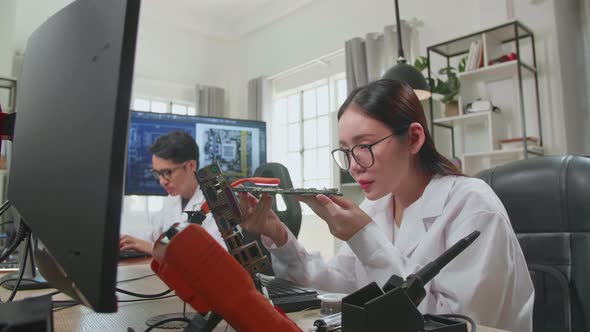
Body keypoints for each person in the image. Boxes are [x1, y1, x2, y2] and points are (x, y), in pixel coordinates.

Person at [238, 80, 534, 332]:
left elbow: (456, 322)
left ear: (414, 138)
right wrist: (281, 239)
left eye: (364, 146)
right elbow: (339, 286)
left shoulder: (473, 207)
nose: (353, 166)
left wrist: (364, 237)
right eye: (346, 151)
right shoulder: (377, 205)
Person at [119, 130, 224, 254]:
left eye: (167, 172)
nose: (162, 181)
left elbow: (215, 258)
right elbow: (155, 235)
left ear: (191, 166)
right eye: (158, 174)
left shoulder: (219, 201)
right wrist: (125, 239)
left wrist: (154, 249)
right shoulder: (174, 199)